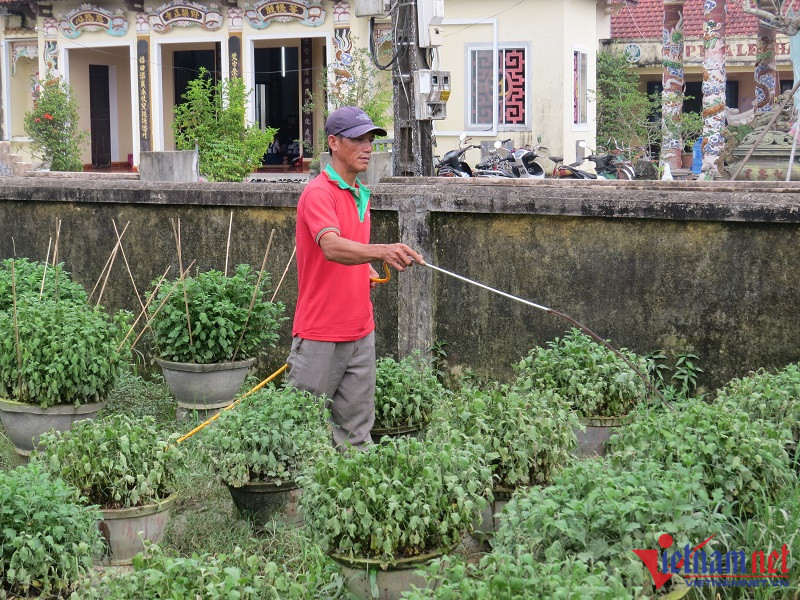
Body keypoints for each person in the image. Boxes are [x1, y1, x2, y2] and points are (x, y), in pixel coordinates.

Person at [287, 106, 424, 450]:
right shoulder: (319, 193)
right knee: (300, 432)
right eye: (358, 139)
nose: (367, 147)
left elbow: (349, 248)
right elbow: (332, 246)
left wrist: (364, 265)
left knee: (356, 436)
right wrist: (380, 251)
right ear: (334, 143)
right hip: (320, 333)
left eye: (370, 140)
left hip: (360, 332)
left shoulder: (360, 193)